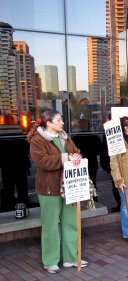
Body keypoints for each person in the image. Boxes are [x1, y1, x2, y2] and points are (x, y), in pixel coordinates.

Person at [27, 109, 88, 274]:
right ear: (49, 123)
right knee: (50, 226)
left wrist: (77, 157)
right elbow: (42, 162)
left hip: (69, 187)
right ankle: (50, 261)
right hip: (48, 189)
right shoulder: (37, 140)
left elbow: (76, 151)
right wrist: (67, 158)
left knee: (71, 222)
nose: (62, 123)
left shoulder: (65, 136)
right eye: (59, 120)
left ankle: (71, 258)